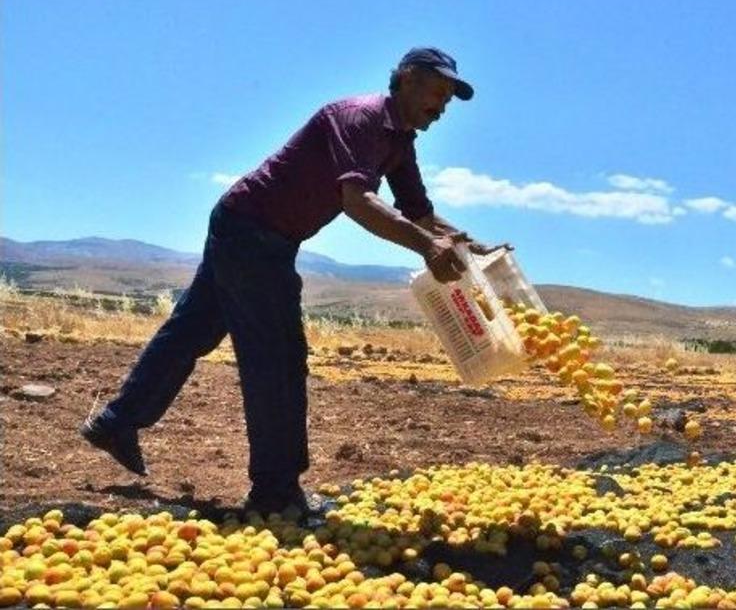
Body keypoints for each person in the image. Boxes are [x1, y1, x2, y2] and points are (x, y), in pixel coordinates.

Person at [80, 46, 504, 516]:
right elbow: (358, 200)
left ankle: (116, 422)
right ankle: (276, 491)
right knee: (277, 359)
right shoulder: (358, 118)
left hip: (260, 233)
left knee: (193, 330)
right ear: (405, 78)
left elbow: (419, 212)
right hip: (252, 230)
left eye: (449, 98)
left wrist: (467, 244)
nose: (442, 105)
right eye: (438, 91)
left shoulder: (400, 142)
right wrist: (426, 247)